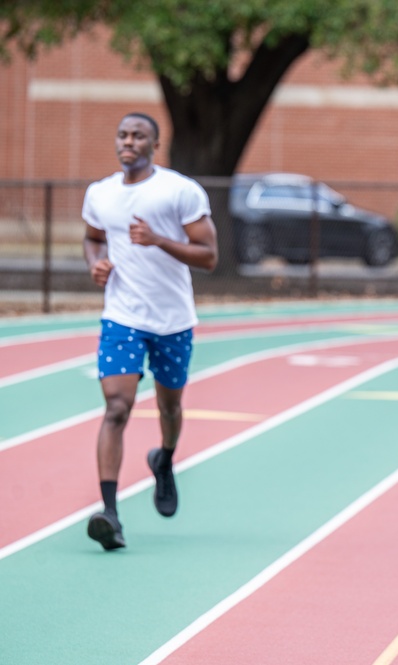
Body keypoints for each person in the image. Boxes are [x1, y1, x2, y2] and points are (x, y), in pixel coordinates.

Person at [82, 112, 218, 550]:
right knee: (117, 407)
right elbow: (92, 236)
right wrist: (95, 264)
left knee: (170, 407)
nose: (129, 141)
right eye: (122, 134)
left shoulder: (178, 190)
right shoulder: (100, 193)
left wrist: (159, 239)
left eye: (139, 136)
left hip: (172, 319)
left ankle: (164, 459)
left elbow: (210, 256)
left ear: (154, 145)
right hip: (121, 315)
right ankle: (110, 514)